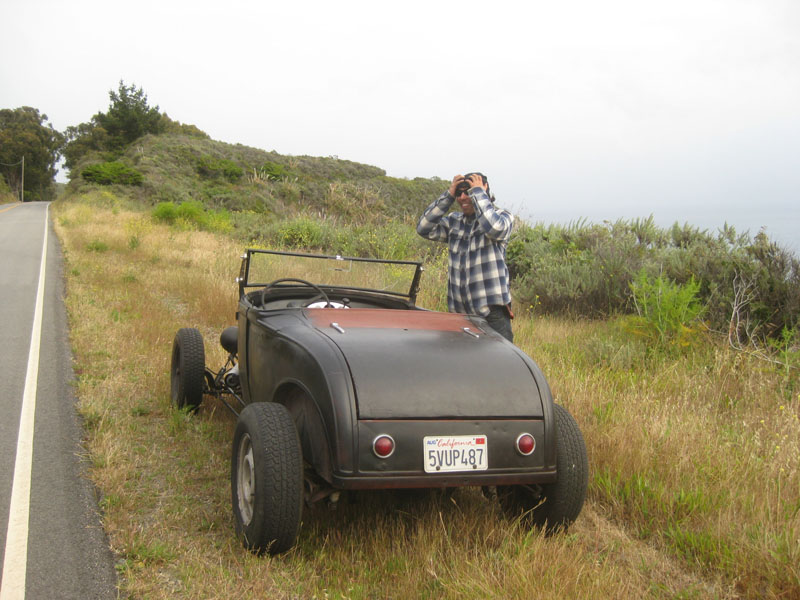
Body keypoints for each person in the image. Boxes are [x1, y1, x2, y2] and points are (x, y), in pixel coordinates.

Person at [416, 172, 515, 342]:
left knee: (498, 366)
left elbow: (495, 229)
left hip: (492, 314)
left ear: (484, 192)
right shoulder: (454, 222)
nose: (463, 197)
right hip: (459, 317)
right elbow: (423, 228)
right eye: (459, 193)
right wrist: (448, 196)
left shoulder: (503, 217)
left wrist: (478, 192)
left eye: (468, 192)